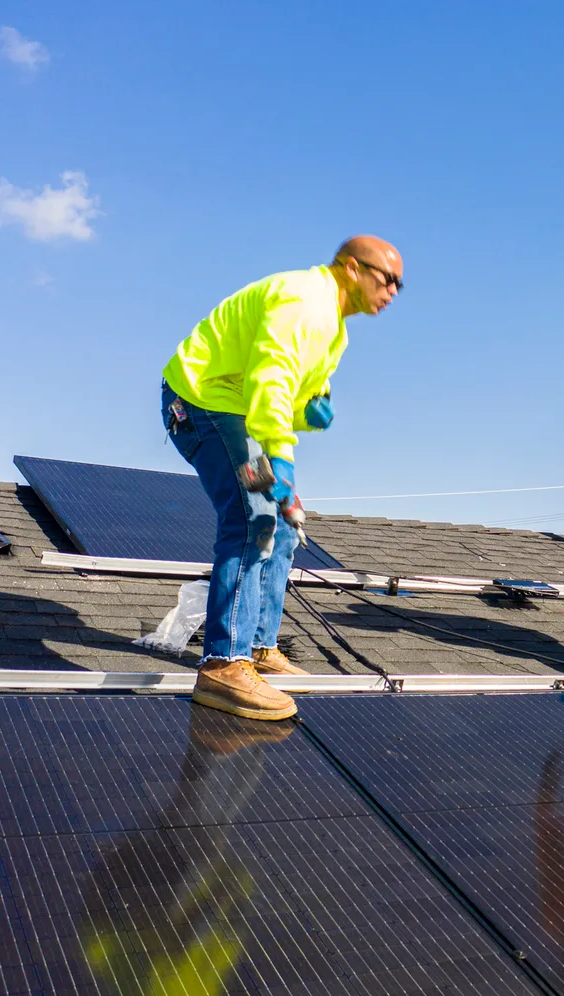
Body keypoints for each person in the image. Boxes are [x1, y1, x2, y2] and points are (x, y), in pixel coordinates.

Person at [160, 236, 403, 721]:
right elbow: (269, 392)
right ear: (352, 269)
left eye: (401, 284)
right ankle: (224, 664)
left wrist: (314, 411)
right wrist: (283, 477)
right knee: (254, 519)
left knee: (282, 528)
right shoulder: (304, 302)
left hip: (238, 411)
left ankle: (258, 648)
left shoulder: (335, 329)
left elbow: (289, 401)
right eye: (387, 278)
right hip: (203, 402)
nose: (394, 290)